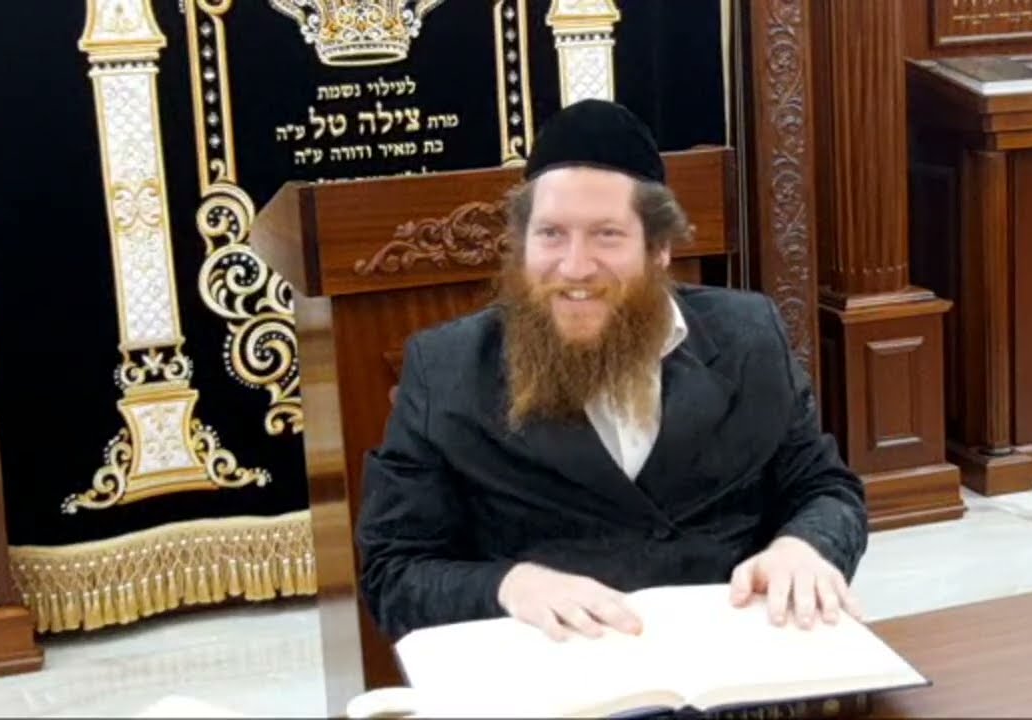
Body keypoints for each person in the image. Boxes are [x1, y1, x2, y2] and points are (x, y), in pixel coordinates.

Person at [357, 99, 868, 643]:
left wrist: (804, 546)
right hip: (554, 665)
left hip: (729, 656)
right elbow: (394, 571)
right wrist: (508, 585)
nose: (574, 267)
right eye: (551, 234)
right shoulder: (445, 370)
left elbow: (824, 489)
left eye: (606, 234)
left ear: (659, 248)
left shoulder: (749, 336)